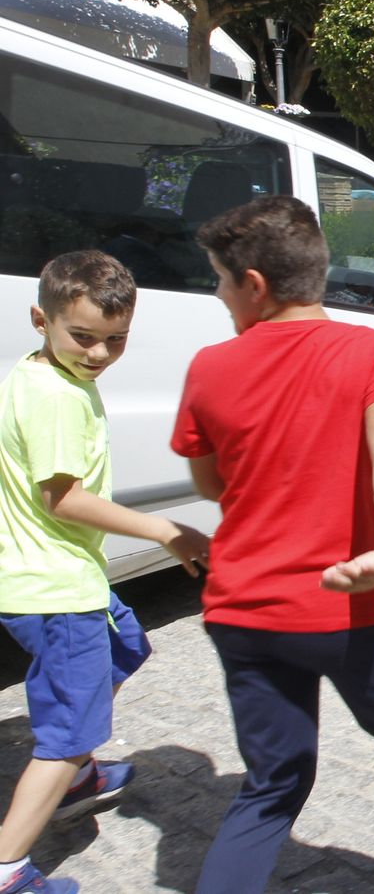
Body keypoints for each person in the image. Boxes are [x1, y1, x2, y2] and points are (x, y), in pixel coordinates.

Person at [169, 197, 374, 894]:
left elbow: (211, 482)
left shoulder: (208, 366)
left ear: (256, 285)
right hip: (346, 603)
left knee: (273, 783)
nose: (218, 292)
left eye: (220, 278)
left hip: (240, 607)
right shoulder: (372, 350)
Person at [0, 251, 209, 894]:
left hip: (64, 576)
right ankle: (9, 866)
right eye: (83, 337)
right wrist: (171, 531)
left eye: (115, 340)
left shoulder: (40, 373)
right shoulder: (58, 397)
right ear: (42, 318)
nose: (98, 354)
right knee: (66, 734)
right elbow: (62, 498)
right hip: (56, 589)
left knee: (124, 645)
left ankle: (79, 780)